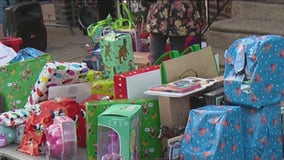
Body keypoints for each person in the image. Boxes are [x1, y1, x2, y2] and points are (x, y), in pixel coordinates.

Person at [145, 0, 201, 65]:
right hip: (159, 18)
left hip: (180, 19)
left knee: (177, 60)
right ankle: (154, 75)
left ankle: (177, 74)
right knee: (156, 59)